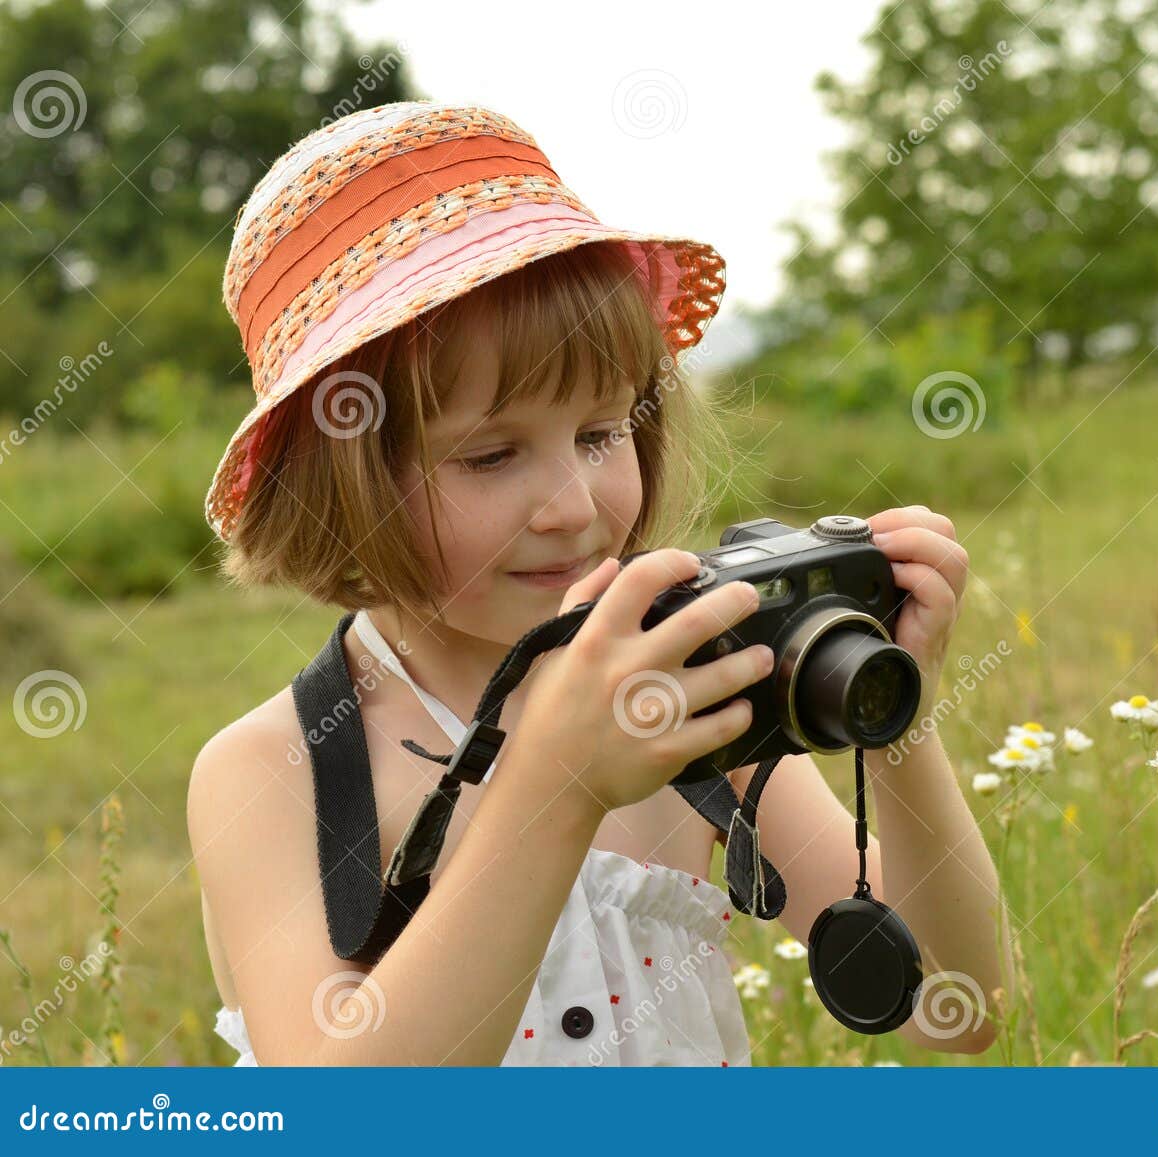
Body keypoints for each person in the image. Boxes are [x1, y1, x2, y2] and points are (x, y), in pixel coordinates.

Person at [186, 100, 1003, 1066]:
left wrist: (892, 722)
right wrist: (557, 786)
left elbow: (955, 1006)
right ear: (340, 488)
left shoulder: (688, 690)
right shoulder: (279, 770)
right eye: (491, 456)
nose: (572, 504)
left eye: (599, 434)